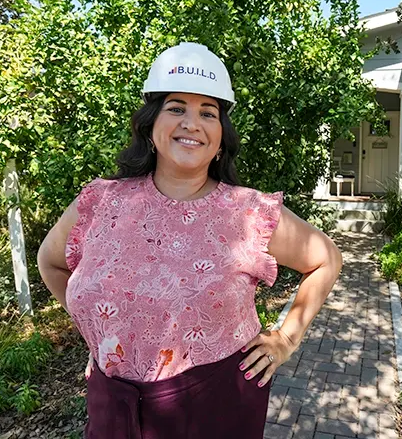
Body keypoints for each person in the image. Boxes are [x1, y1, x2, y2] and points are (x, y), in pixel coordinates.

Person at [36, 42, 343, 438]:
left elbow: (326, 259)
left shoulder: (249, 212)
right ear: (150, 127)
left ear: (220, 138)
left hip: (215, 405)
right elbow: (51, 262)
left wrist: (286, 338)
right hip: (112, 402)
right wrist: (100, 332)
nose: (191, 122)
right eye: (176, 107)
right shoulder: (100, 202)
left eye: (208, 113)